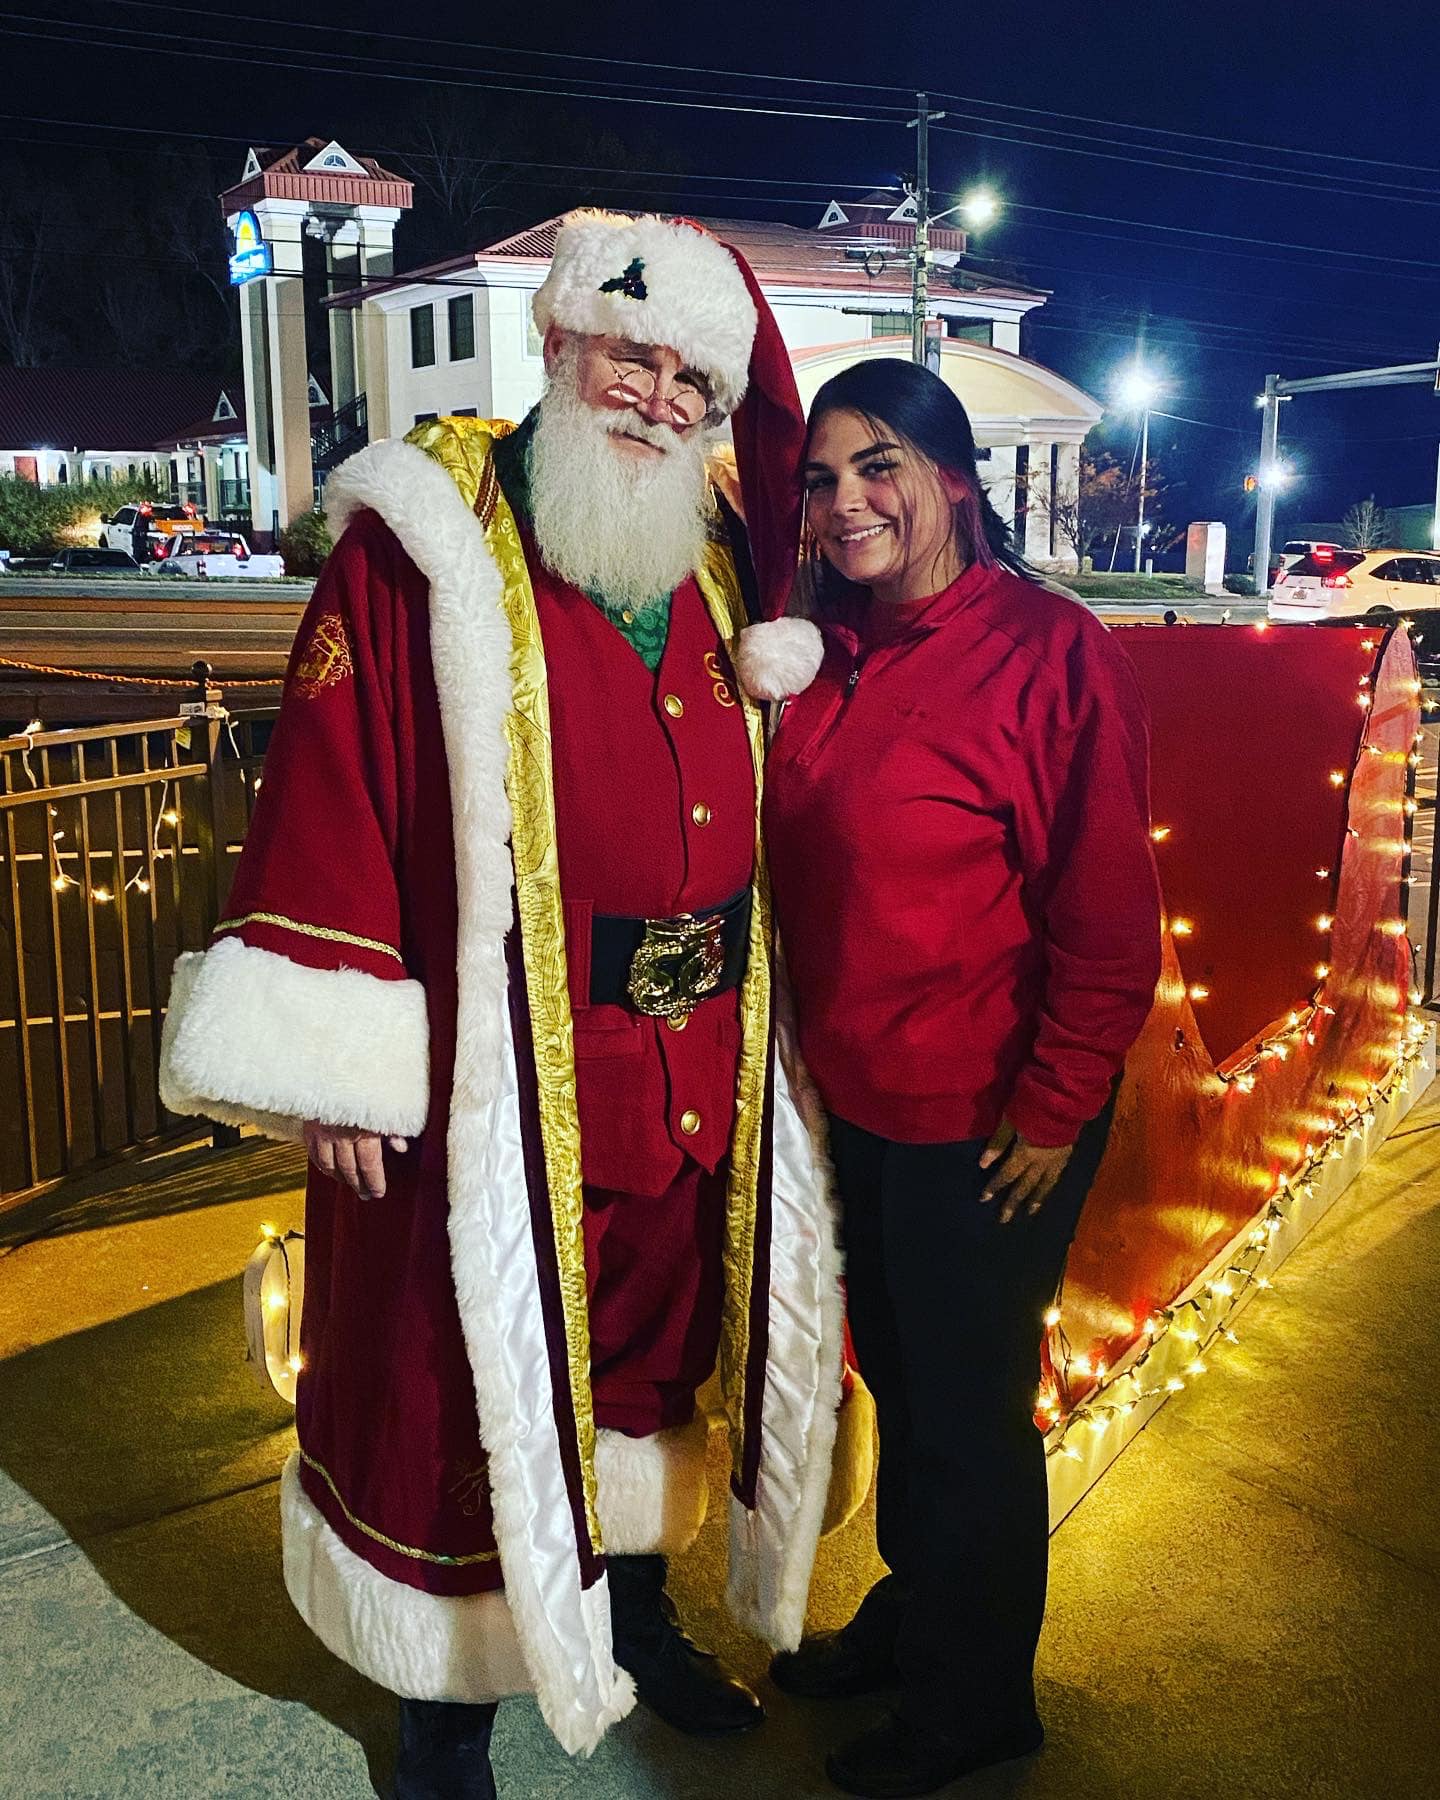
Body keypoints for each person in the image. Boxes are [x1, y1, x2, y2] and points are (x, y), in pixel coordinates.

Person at [160, 211, 870, 1798]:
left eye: (692, 381)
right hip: (498, 1066)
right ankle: (448, 1703)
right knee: (466, 1382)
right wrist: (335, 1062)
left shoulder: (718, 554)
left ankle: (638, 1617)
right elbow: (335, 781)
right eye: (631, 358)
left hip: (692, 1066)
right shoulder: (422, 536)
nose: (658, 400)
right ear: (557, 345)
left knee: (653, 1363)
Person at [751, 358, 1162, 1798]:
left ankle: (975, 1701)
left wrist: (1055, 1103)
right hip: (859, 1107)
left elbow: (1108, 914)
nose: (846, 501)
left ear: (954, 480)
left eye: (880, 467)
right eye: (822, 479)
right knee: (905, 1387)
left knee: (968, 1414)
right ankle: (919, 1616)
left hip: (988, 1118)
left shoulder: (1049, 652)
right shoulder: (826, 646)